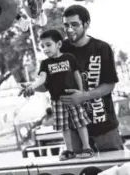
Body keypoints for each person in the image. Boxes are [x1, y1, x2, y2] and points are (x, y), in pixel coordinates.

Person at [21, 4, 124, 153]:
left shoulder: (102, 48)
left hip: (104, 127)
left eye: (74, 25)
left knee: (114, 168)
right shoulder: (60, 48)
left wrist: (84, 96)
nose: (69, 29)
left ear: (86, 24)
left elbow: (109, 85)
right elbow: (47, 83)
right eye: (66, 25)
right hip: (74, 129)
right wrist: (32, 87)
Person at [20, 29, 93, 160]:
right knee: (64, 126)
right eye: (42, 46)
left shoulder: (69, 58)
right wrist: (31, 86)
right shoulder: (45, 64)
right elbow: (41, 79)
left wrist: (81, 93)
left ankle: (87, 147)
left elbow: (77, 75)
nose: (45, 49)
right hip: (56, 100)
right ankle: (69, 150)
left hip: (73, 97)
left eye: (48, 45)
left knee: (80, 123)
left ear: (58, 44)